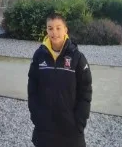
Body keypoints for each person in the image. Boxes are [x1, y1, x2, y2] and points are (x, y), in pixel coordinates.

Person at [27, 13, 93, 147]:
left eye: (58, 28)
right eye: (50, 28)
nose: (54, 32)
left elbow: (85, 91)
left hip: (71, 127)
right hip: (44, 126)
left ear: (65, 30)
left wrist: (79, 122)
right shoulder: (39, 56)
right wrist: (36, 115)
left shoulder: (77, 58)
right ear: (46, 30)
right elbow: (32, 88)